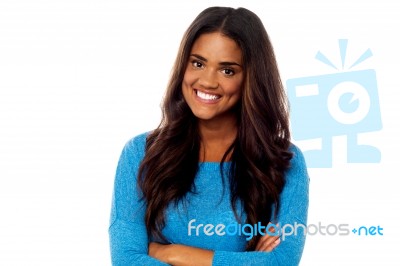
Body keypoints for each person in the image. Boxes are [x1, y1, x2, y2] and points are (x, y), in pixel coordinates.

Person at [109, 6, 309, 266]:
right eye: (198, 63)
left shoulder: (284, 161)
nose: (207, 81)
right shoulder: (141, 153)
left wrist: (172, 253)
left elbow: (282, 261)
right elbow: (126, 259)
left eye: (227, 70)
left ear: (251, 79)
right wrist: (246, 261)